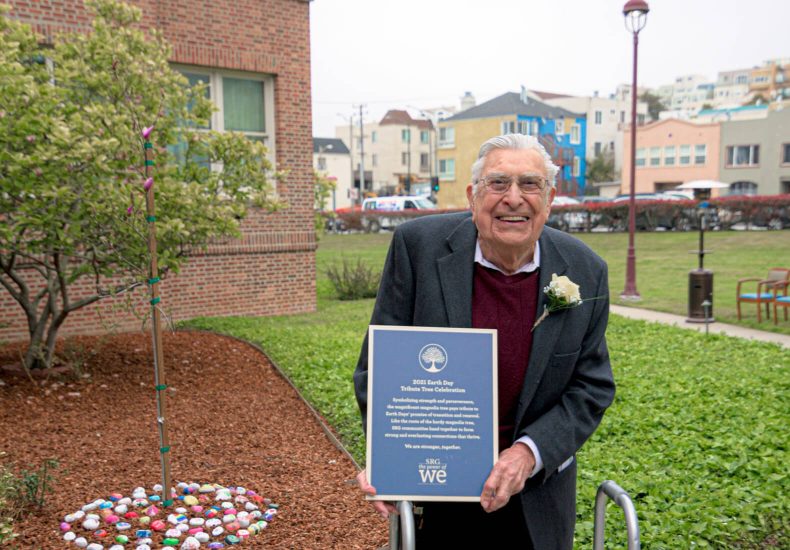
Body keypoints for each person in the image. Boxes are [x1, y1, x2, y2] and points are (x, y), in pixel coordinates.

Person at [353, 134, 615, 548]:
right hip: (438, 495)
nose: (514, 198)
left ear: (549, 199)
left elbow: (591, 386)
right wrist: (389, 456)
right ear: (473, 196)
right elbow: (379, 368)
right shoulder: (417, 248)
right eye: (498, 184)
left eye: (530, 184)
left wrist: (529, 453)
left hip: (537, 499)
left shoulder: (585, 269)